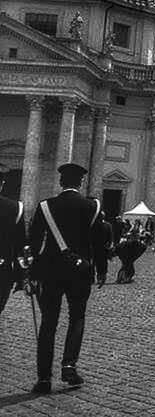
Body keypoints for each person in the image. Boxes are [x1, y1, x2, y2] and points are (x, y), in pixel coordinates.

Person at [27, 163, 108, 394]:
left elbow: (33, 243)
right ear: (80, 183)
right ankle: (69, 366)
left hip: (49, 270)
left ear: (61, 182)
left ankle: (43, 379)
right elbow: (99, 243)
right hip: (80, 271)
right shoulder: (92, 206)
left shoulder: (45, 206)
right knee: (77, 317)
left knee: (48, 323)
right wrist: (101, 270)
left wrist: (30, 274)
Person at [0, 162, 27, 315]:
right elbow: (20, 247)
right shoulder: (15, 208)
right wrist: (21, 276)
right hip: (2, 272)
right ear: (2, 183)